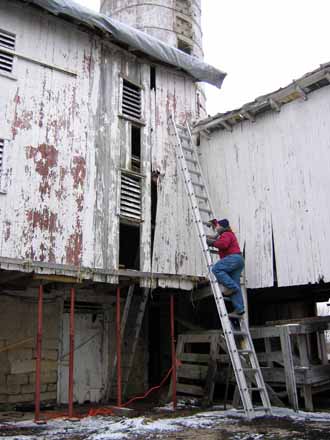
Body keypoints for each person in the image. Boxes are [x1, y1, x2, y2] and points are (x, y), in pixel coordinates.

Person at [207, 219, 245, 315]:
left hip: (233, 258)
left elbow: (223, 244)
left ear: (222, 227)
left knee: (216, 269)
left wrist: (211, 243)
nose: (216, 228)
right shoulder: (226, 233)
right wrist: (214, 222)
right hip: (238, 260)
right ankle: (239, 309)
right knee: (234, 282)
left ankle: (232, 287)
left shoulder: (226, 234)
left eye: (217, 226)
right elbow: (220, 224)